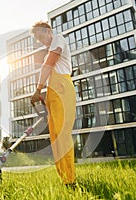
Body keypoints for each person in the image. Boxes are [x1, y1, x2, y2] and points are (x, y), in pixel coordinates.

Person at [30, 21, 77, 187]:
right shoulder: (47, 51)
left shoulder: (58, 39)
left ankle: (70, 179)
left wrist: (37, 90)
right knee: (55, 137)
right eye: (38, 39)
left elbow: (48, 65)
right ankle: (64, 179)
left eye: (41, 36)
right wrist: (43, 96)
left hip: (63, 88)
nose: (41, 41)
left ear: (48, 31)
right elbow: (47, 68)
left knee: (63, 134)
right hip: (52, 92)